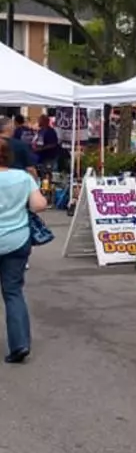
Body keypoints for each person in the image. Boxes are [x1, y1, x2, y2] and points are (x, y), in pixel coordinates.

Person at [0, 138, 46, 363]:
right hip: (16, 239)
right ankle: (19, 343)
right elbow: (39, 205)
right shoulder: (23, 177)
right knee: (13, 292)